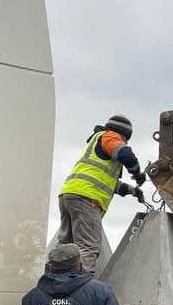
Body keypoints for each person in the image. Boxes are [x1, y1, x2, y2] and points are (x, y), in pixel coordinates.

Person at [57, 114, 146, 270]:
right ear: (123, 136)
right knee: (88, 246)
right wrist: (137, 173)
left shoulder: (97, 142)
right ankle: (81, 287)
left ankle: (55, 279)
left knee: (66, 246)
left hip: (69, 194)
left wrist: (133, 191)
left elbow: (108, 183)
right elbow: (126, 156)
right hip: (87, 198)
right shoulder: (110, 136)